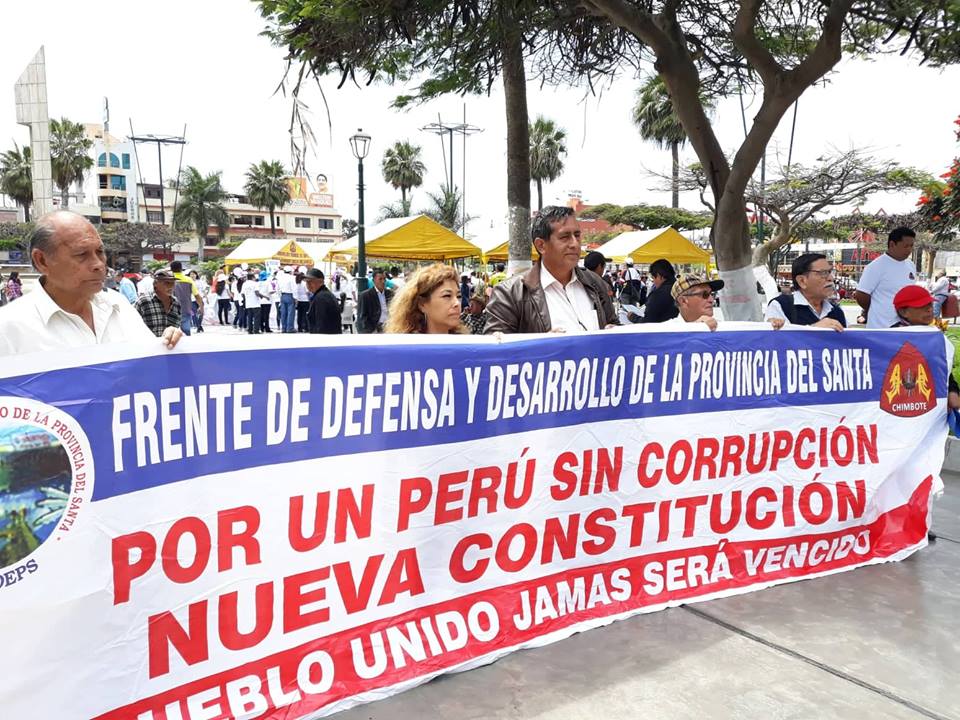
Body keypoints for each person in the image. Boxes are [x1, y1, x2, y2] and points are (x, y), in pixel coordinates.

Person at [0, 210, 182, 355]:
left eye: (100, 252)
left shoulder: (119, 307)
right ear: (42, 261)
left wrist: (169, 345)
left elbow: (150, 368)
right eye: (81, 254)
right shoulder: (9, 328)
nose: (98, 264)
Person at [485, 205, 616, 334]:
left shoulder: (596, 284)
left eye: (577, 235)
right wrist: (543, 347)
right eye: (565, 237)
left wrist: (615, 332)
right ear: (541, 245)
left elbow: (614, 326)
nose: (575, 244)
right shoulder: (510, 294)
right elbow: (496, 350)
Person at [670, 274, 784, 331]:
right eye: (704, 295)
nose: (711, 299)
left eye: (711, 294)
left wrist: (768, 328)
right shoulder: (665, 331)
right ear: (683, 301)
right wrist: (694, 329)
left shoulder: (722, 328)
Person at [764, 253, 846, 330]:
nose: (830, 278)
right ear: (802, 281)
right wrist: (813, 329)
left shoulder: (836, 312)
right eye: (823, 273)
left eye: (830, 272)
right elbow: (777, 341)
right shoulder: (781, 305)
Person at [855, 227, 917, 328]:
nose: (909, 250)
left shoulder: (911, 265)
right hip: (881, 327)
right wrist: (877, 310)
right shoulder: (876, 266)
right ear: (892, 244)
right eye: (906, 246)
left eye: (911, 246)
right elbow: (861, 295)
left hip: (904, 326)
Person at [386, 263, 464, 334]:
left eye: (459, 296)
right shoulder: (405, 347)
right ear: (422, 304)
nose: (457, 303)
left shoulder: (468, 346)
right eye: (447, 296)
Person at [134, 269, 181, 337]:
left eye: (173, 283)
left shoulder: (176, 303)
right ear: (155, 283)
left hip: (169, 345)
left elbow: (177, 327)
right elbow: (132, 325)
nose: (171, 286)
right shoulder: (143, 301)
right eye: (167, 283)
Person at [639, 258, 679, 323]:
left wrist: (633, 317)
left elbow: (647, 321)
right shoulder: (681, 289)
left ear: (659, 276)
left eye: (653, 278)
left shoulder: (658, 294)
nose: (654, 282)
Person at [303, 268, 342, 334]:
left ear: (320, 282)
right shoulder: (323, 294)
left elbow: (321, 325)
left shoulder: (321, 298)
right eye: (307, 282)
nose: (308, 285)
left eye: (311, 282)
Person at [171, 261, 203, 336]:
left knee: (171, 331)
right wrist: (201, 306)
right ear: (181, 268)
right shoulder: (188, 280)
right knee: (186, 330)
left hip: (171, 309)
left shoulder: (169, 279)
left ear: (171, 269)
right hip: (185, 308)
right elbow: (197, 295)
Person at [276, 265, 297, 333]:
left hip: (283, 295)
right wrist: (295, 298)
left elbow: (277, 289)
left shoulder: (280, 278)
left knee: (283, 313)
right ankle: (290, 328)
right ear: (290, 271)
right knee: (291, 313)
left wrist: (280, 296)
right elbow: (294, 288)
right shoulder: (292, 278)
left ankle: (283, 328)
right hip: (290, 295)